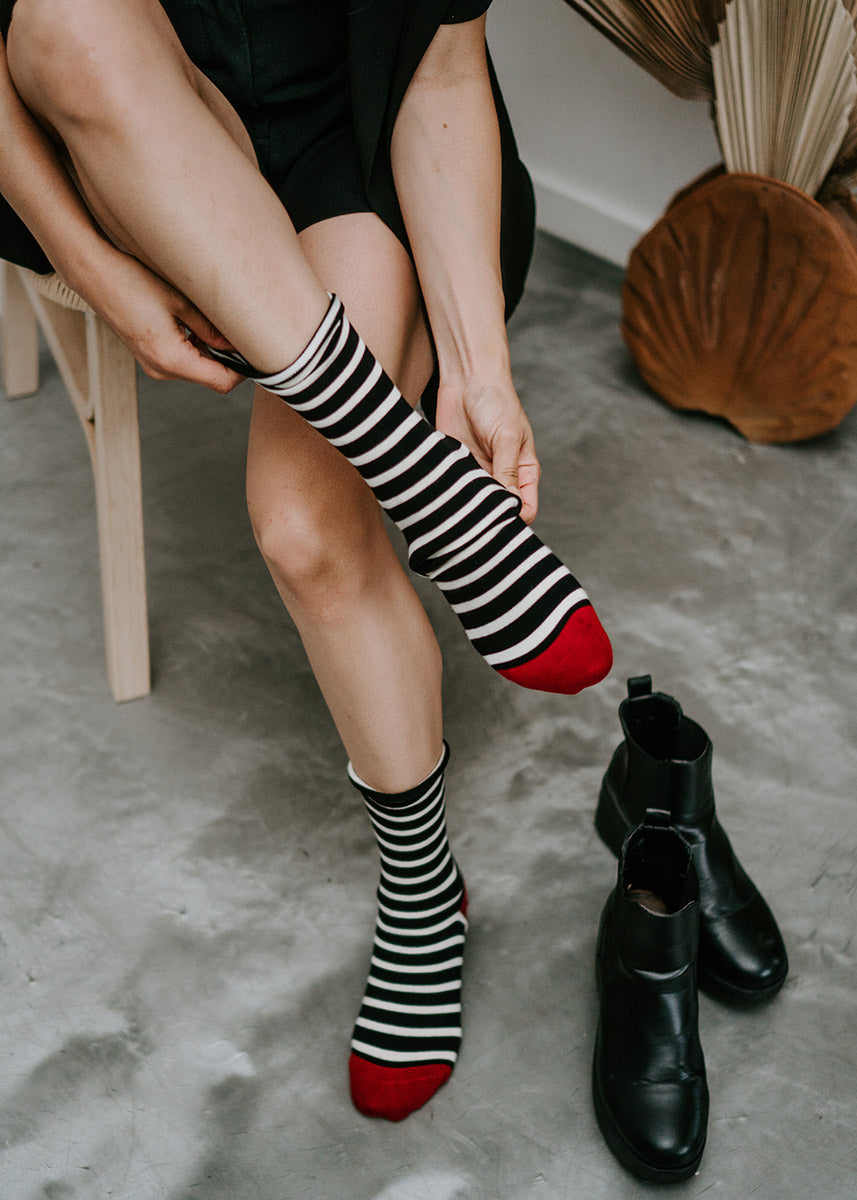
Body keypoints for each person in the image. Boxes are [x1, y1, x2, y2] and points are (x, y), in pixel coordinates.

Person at [0, 0, 611, 1122]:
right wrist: (96, 272)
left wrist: (479, 375)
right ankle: (419, 473)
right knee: (60, 20)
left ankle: (422, 891)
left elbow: (439, 77)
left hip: (354, 149)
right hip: (127, 136)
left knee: (304, 530)